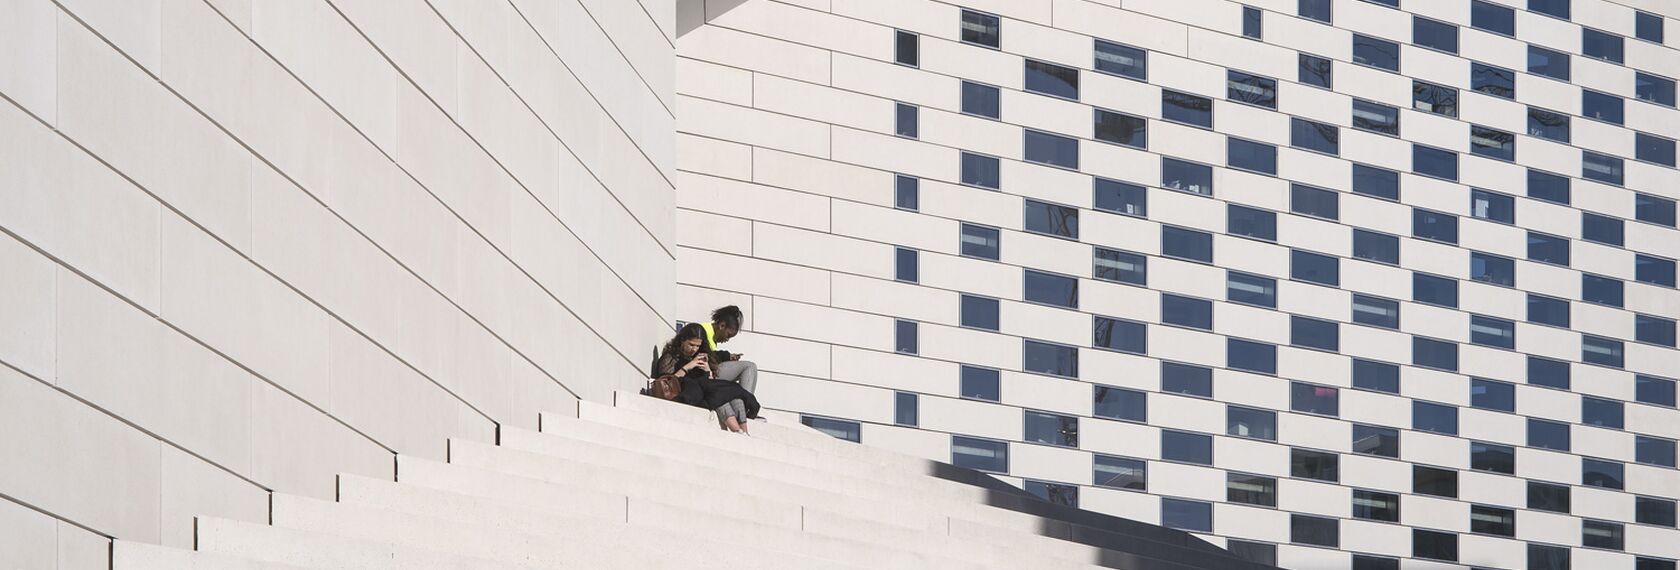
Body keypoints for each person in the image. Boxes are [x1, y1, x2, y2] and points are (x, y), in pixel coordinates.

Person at [653, 323, 760, 433]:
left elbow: (709, 382)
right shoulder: (671, 357)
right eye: (691, 344)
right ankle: (736, 430)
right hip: (690, 393)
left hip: (704, 391)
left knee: (732, 395)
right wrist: (688, 366)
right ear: (682, 340)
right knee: (719, 396)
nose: (694, 349)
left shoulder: (700, 355)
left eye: (698, 346)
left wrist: (708, 370)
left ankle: (744, 432)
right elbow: (667, 381)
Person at [699, 306, 757, 394]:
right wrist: (727, 356)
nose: (727, 340)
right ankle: (748, 399)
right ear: (722, 326)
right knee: (749, 366)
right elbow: (706, 355)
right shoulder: (702, 330)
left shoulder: (712, 337)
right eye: (728, 335)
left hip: (708, 373)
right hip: (701, 375)